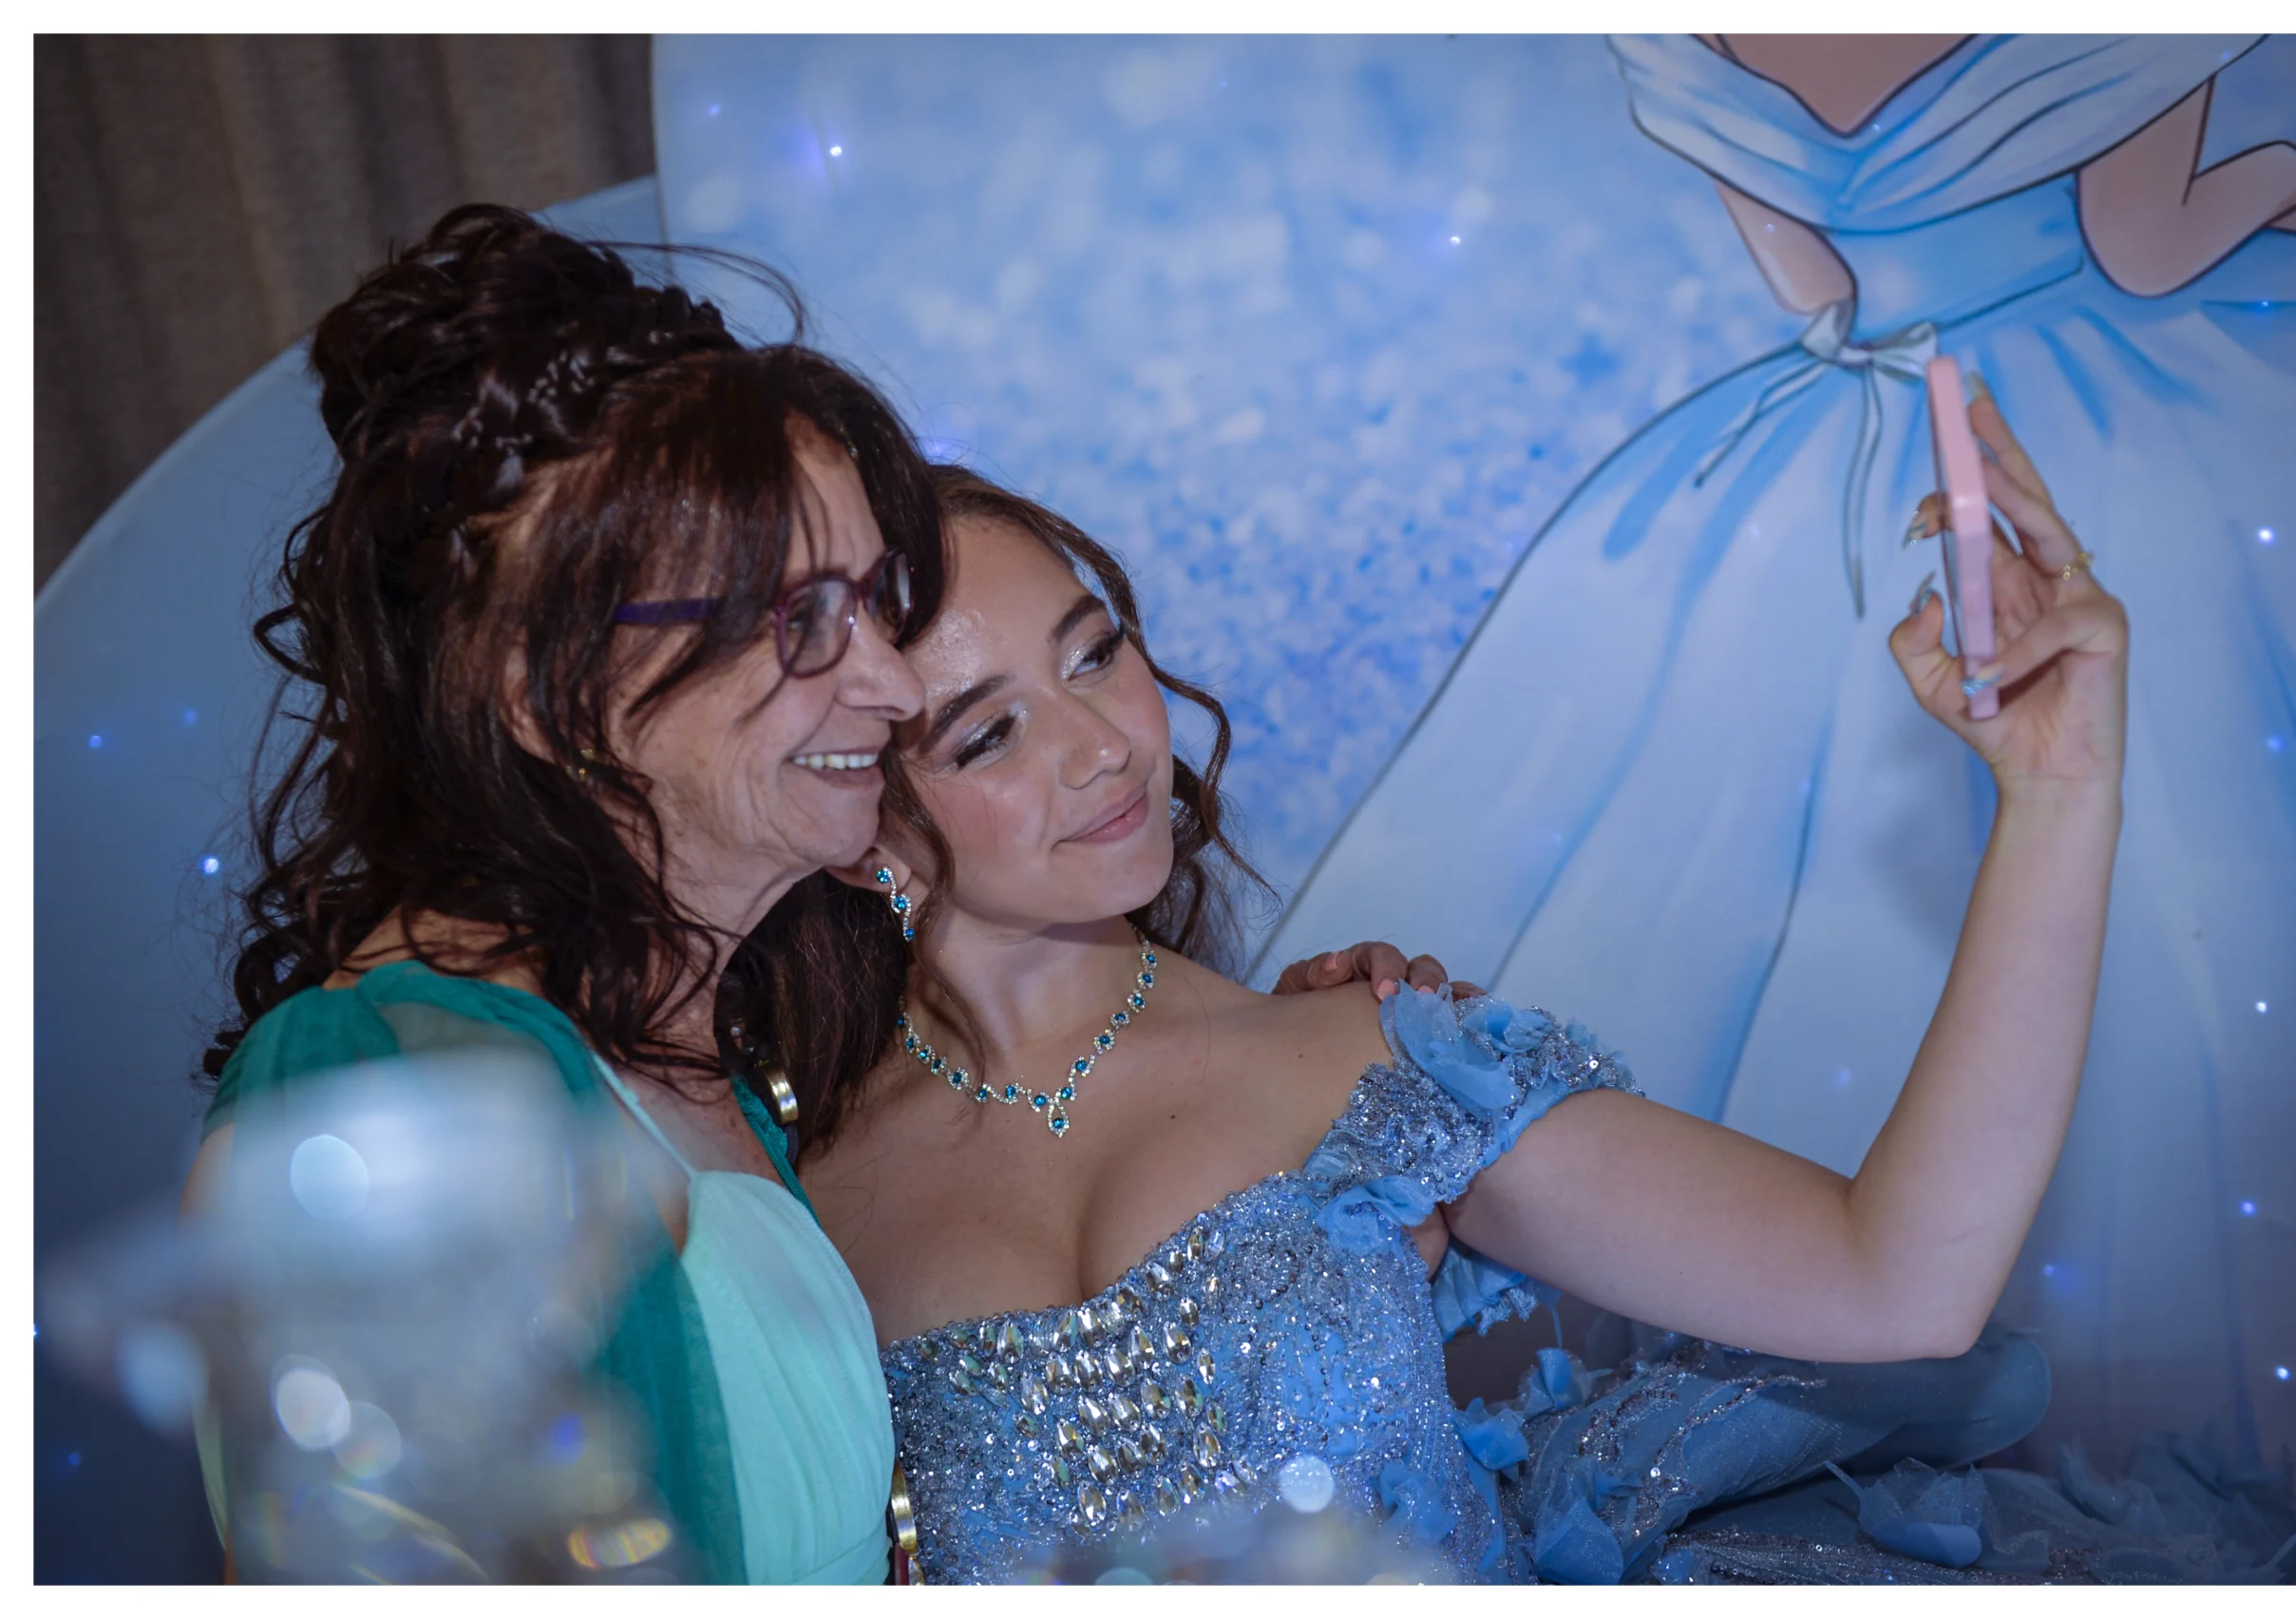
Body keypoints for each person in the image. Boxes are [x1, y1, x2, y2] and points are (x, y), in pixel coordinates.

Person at [1257, 33, 2296, 1577]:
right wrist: (2280, 183)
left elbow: (1813, 285)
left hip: (1825, 462)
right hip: (2077, 436)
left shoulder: (1693, 32)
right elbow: (2142, 236)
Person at [178, 203, 1430, 1584]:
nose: (888, 685)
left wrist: (1339, 1095)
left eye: (869, 600)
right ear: (552, 695)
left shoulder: (723, 1063)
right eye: (800, 623)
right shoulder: (398, 1092)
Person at [790, 443, 2296, 1581]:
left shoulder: (1369, 1055)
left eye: (1096, 651)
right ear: (862, 821)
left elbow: (1897, 1277)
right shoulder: (792, 1188)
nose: (1105, 745)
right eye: (990, 733)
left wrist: (2058, 790)